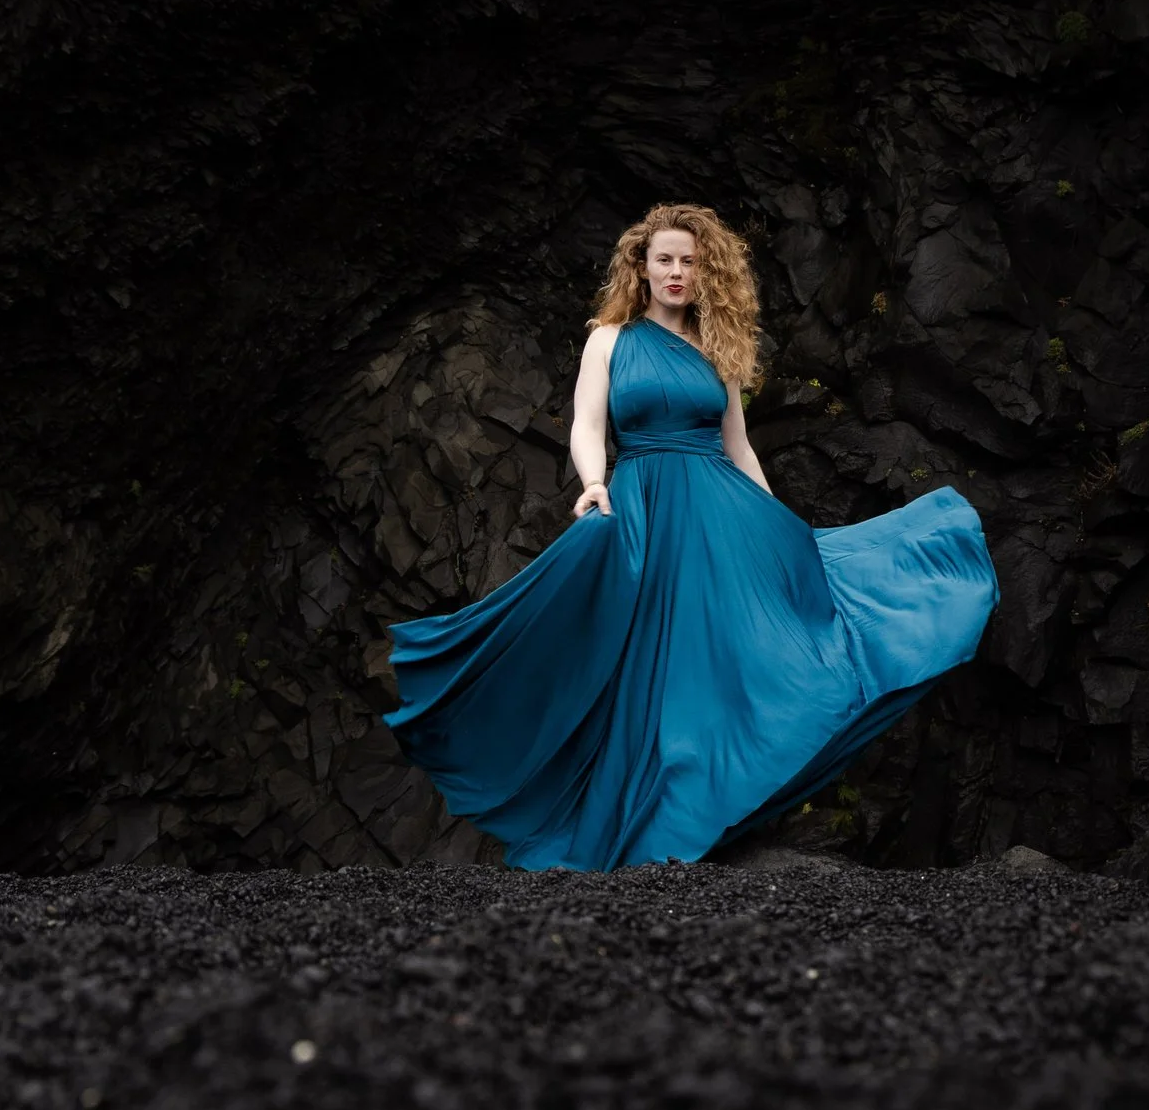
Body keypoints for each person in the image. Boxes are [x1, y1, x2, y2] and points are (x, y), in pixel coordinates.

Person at [382, 202, 999, 869]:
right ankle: (654, 813)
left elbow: (738, 449)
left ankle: (715, 799)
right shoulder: (609, 338)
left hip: (721, 512)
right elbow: (588, 426)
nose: (676, 271)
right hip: (646, 502)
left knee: (732, 660)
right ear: (641, 269)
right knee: (655, 663)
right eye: (664, 259)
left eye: (688, 260)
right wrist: (594, 481)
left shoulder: (719, 348)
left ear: (703, 271)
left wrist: (779, 525)